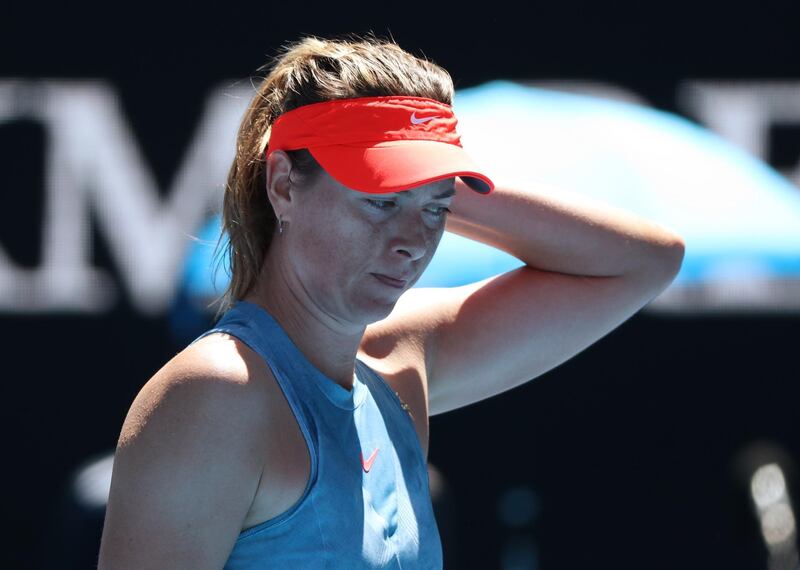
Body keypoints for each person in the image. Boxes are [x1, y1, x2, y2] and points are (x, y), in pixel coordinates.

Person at [97, 33, 686, 569]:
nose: (413, 243)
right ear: (283, 184)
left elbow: (647, 261)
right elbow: (640, 264)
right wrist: (421, 179)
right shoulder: (215, 394)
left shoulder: (398, 364)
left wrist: (429, 170)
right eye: (379, 203)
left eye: (436, 211)